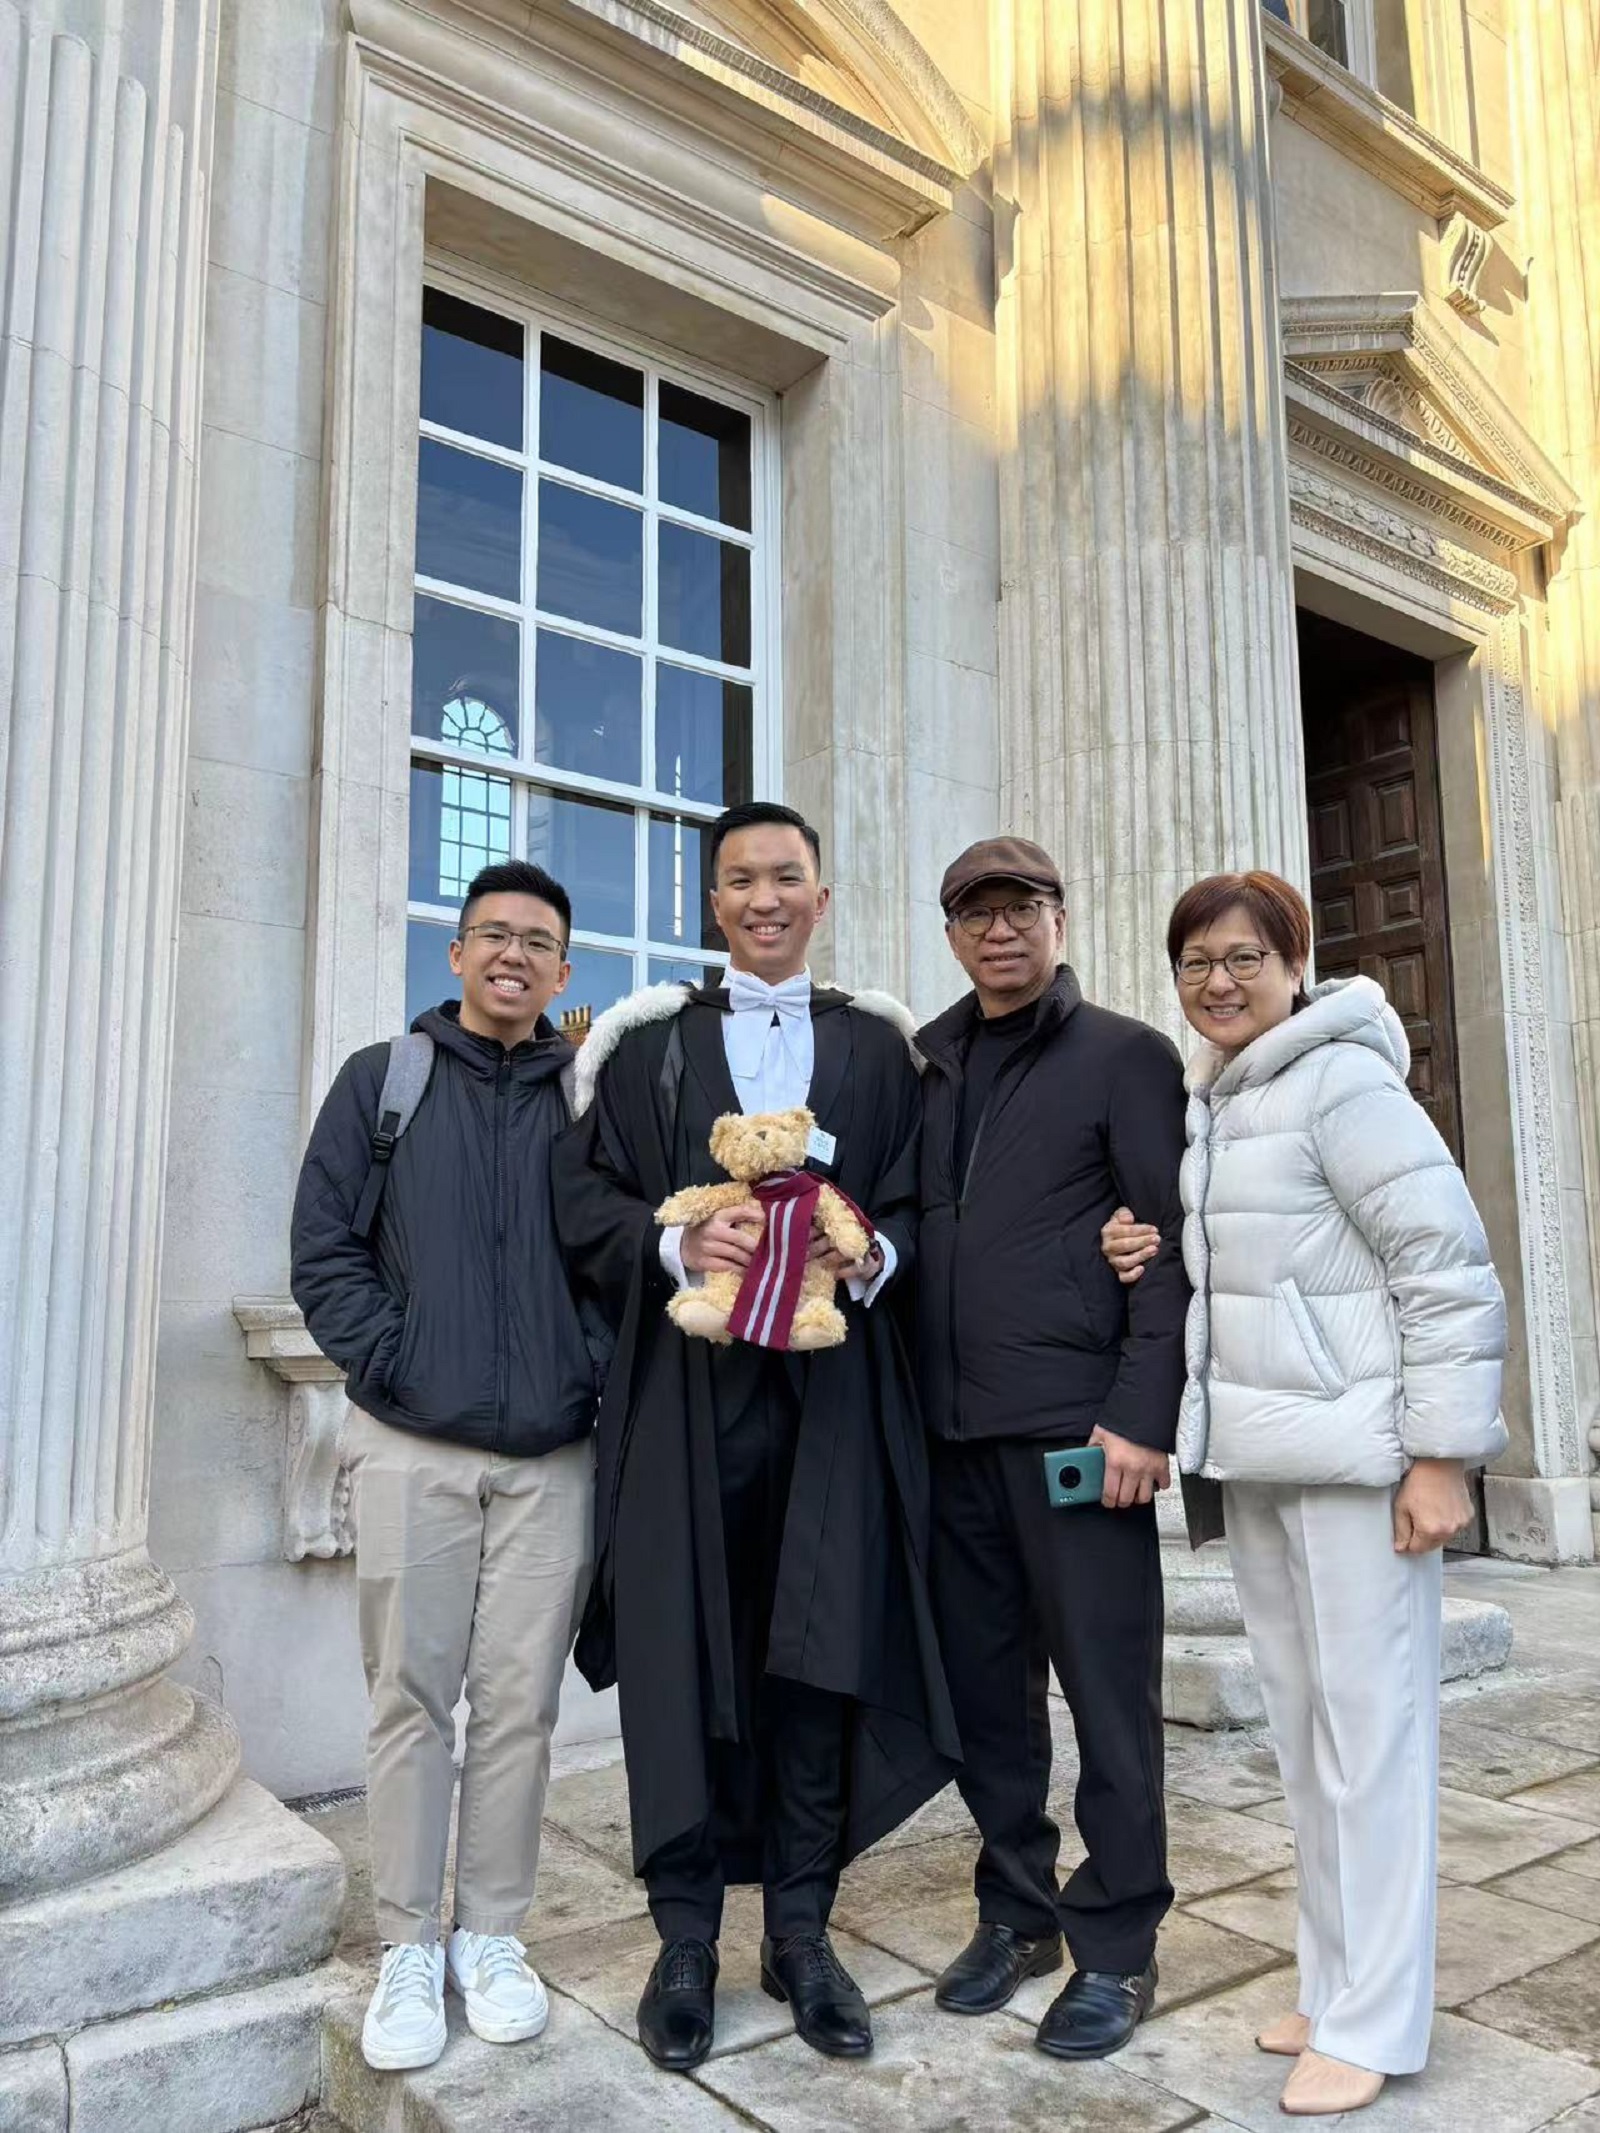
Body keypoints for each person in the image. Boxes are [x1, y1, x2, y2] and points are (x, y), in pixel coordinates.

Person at [553, 800, 959, 2074]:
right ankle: (684, 1938)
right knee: (681, 1657)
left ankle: (800, 1927)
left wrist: (869, 1251)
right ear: (711, 904)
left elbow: (919, 1204)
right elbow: (587, 1200)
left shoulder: (882, 1055)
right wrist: (679, 1243)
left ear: (821, 899)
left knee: (814, 1653)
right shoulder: (643, 1051)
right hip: (687, 1395)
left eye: (788, 877)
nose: (766, 898)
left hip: (835, 1399)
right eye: (741, 881)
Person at [1102, 869, 1507, 2117]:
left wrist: (1441, 1458)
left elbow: (1443, 1266)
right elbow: (1261, 1267)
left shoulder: (1343, 1083)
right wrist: (1145, 1244)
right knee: (1309, 1745)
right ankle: (1334, 1984)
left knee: (1372, 1746)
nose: (1215, 983)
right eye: (1194, 964)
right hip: (1263, 1467)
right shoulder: (1215, 1101)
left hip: (1358, 1470)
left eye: (1240, 958)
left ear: (1294, 961)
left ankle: (1379, 2021)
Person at [291, 860, 598, 2072]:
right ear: (459, 954)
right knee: (410, 1702)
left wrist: (589, 1370)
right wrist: (395, 1362)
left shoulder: (587, 1102)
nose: (514, 956)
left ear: (564, 975)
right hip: (412, 1446)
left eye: (538, 943)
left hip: (550, 1456)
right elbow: (324, 1250)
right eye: (493, 937)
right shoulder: (387, 1082)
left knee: (519, 1708)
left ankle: (494, 1934)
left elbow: (621, 1258)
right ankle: (409, 1944)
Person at [913, 837, 1190, 2063]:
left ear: (1059, 920)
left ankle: (1117, 1944)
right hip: (951, 1439)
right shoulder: (921, 1061)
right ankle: (1015, 1912)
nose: (999, 930)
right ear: (954, 935)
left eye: (1021, 907)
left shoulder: (1127, 1056)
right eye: (976, 913)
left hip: (1081, 1436)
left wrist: (1139, 1413)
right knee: (989, 1704)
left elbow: (1169, 1247)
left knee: (1108, 1699)